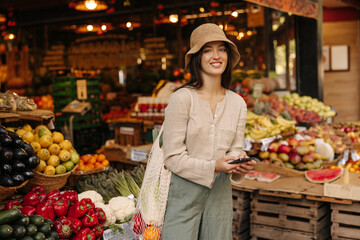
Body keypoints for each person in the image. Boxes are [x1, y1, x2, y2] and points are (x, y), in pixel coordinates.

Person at [161, 23, 257, 240]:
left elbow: (234, 151)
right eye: (208, 50)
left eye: (221, 49)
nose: (216, 55)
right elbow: (172, 157)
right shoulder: (182, 98)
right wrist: (213, 166)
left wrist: (240, 164)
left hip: (219, 198)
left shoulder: (237, 103)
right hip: (183, 197)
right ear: (197, 57)